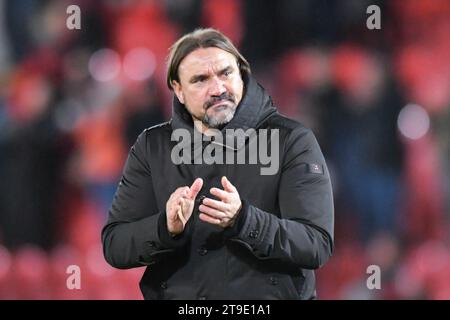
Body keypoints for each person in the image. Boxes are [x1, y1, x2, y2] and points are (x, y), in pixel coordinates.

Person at [102, 28, 334, 300]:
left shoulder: (291, 140)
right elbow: (115, 245)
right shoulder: (152, 146)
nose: (218, 89)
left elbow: (316, 244)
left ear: (242, 73)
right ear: (178, 89)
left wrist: (245, 220)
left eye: (225, 73)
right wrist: (165, 228)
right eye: (200, 80)